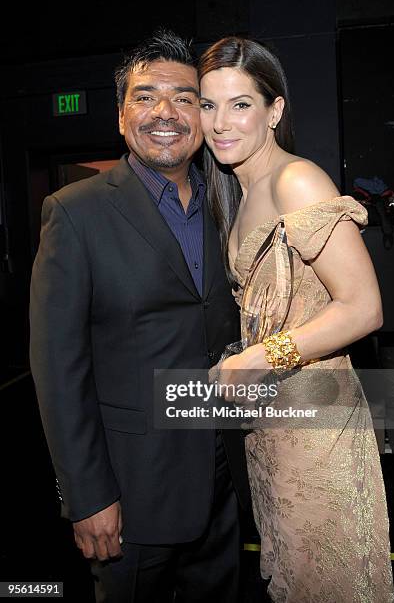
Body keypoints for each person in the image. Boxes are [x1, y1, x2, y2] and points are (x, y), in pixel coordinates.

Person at [29, 29, 250, 603]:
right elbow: (58, 368)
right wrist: (87, 496)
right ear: (121, 116)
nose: (166, 113)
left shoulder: (230, 202)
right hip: (132, 494)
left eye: (184, 98)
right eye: (145, 96)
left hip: (226, 482)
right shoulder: (75, 213)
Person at [198, 36, 394, 602]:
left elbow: (364, 307)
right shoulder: (241, 190)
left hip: (319, 430)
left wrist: (258, 357)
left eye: (240, 104)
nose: (220, 122)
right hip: (275, 428)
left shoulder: (296, 180)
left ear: (274, 110)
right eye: (209, 105)